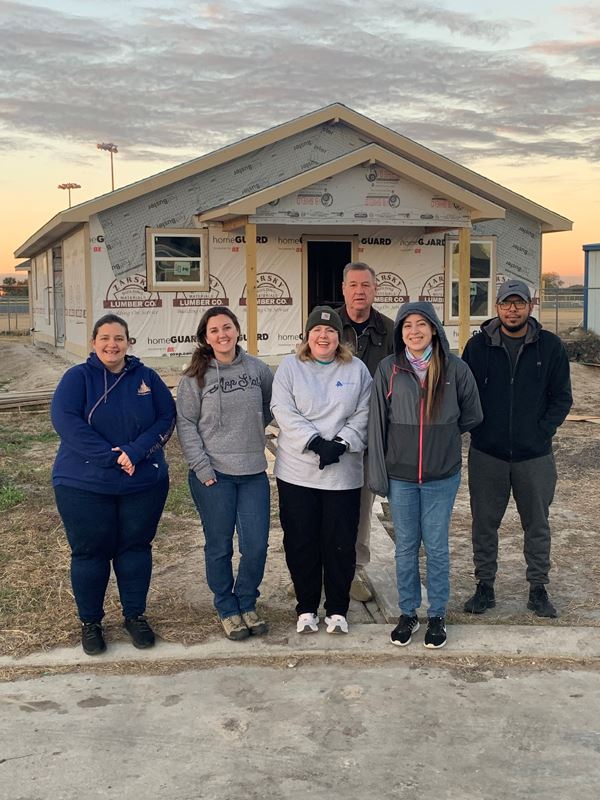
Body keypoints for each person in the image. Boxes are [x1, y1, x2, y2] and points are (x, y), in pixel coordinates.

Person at [51, 314, 176, 656]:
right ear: (94, 343)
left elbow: (167, 418)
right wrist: (111, 457)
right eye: (105, 338)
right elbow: (65, 421)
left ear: (128, 342)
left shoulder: (146, 377)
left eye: (119, 338)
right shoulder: (77, 378)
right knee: (90, 552)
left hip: (142, 483)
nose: (112, 344)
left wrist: (135, 452)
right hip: (84, 484)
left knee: (135, 549)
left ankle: (134, 616)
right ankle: (90, 622)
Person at [368, 302, 482, 648]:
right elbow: (377, 424)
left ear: (434, 329)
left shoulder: (455, 369)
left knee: (436, 546)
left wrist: (439, 440)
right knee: (405, 547)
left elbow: (472, 415)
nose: (413, 331)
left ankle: (437, 615)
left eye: (421, 324)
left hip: (440, 477)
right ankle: (408, 612)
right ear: (400, 333)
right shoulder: (388, 369)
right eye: (406, 326)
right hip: (401, 476)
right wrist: (381, 472)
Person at [462, 279, 573, 618]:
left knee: (537, 524)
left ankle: (538, 589)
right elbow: (464, 396)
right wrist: (478, 429)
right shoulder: (477, 347)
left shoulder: (550, 346)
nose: (513, 309)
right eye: (506, 303)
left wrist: (542, 432)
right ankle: (485, 587)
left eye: (519, 303)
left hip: (534, 455)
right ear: (496, 307)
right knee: (484, 523)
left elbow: (562, 397)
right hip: (487, 454)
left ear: (530, 306)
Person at [271, 306, 372, 635]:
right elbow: (281, 409)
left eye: (330, 331)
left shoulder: (357, 370)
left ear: (340, 337)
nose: (323, 336)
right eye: (317, 330)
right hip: (298, 473)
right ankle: (306, 607)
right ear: (308, 335)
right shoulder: (290, 367)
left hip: (342, 474)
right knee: (302, 541)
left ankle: (338, 609)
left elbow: (364, 412)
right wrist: (315, 442)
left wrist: (341, 444)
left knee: (340, 543)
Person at [176, 307, 273, 641]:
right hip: (213, 475)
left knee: (257, 545)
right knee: (219, 546)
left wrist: (249, 438)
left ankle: (247, 601)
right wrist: (202, 467)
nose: (222, 335)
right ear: (206, 337)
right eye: (214, 330)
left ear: (237, 331)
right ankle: (227, 607)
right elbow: (186, 425)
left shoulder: (258, 370)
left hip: (253, 473)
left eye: (227, 328)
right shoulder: (194, 377)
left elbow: (269, 407)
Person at [337, 261, 394, 602]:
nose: (360, 291)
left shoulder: (389, 330)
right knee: (321, 508)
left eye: (366, 285)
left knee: (360, 509)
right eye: (353, 285)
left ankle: (354, 571)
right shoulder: (326, 324)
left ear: (375, 290)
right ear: (343, 289)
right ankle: (313, 569)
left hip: (370, 436)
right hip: (329, 437)